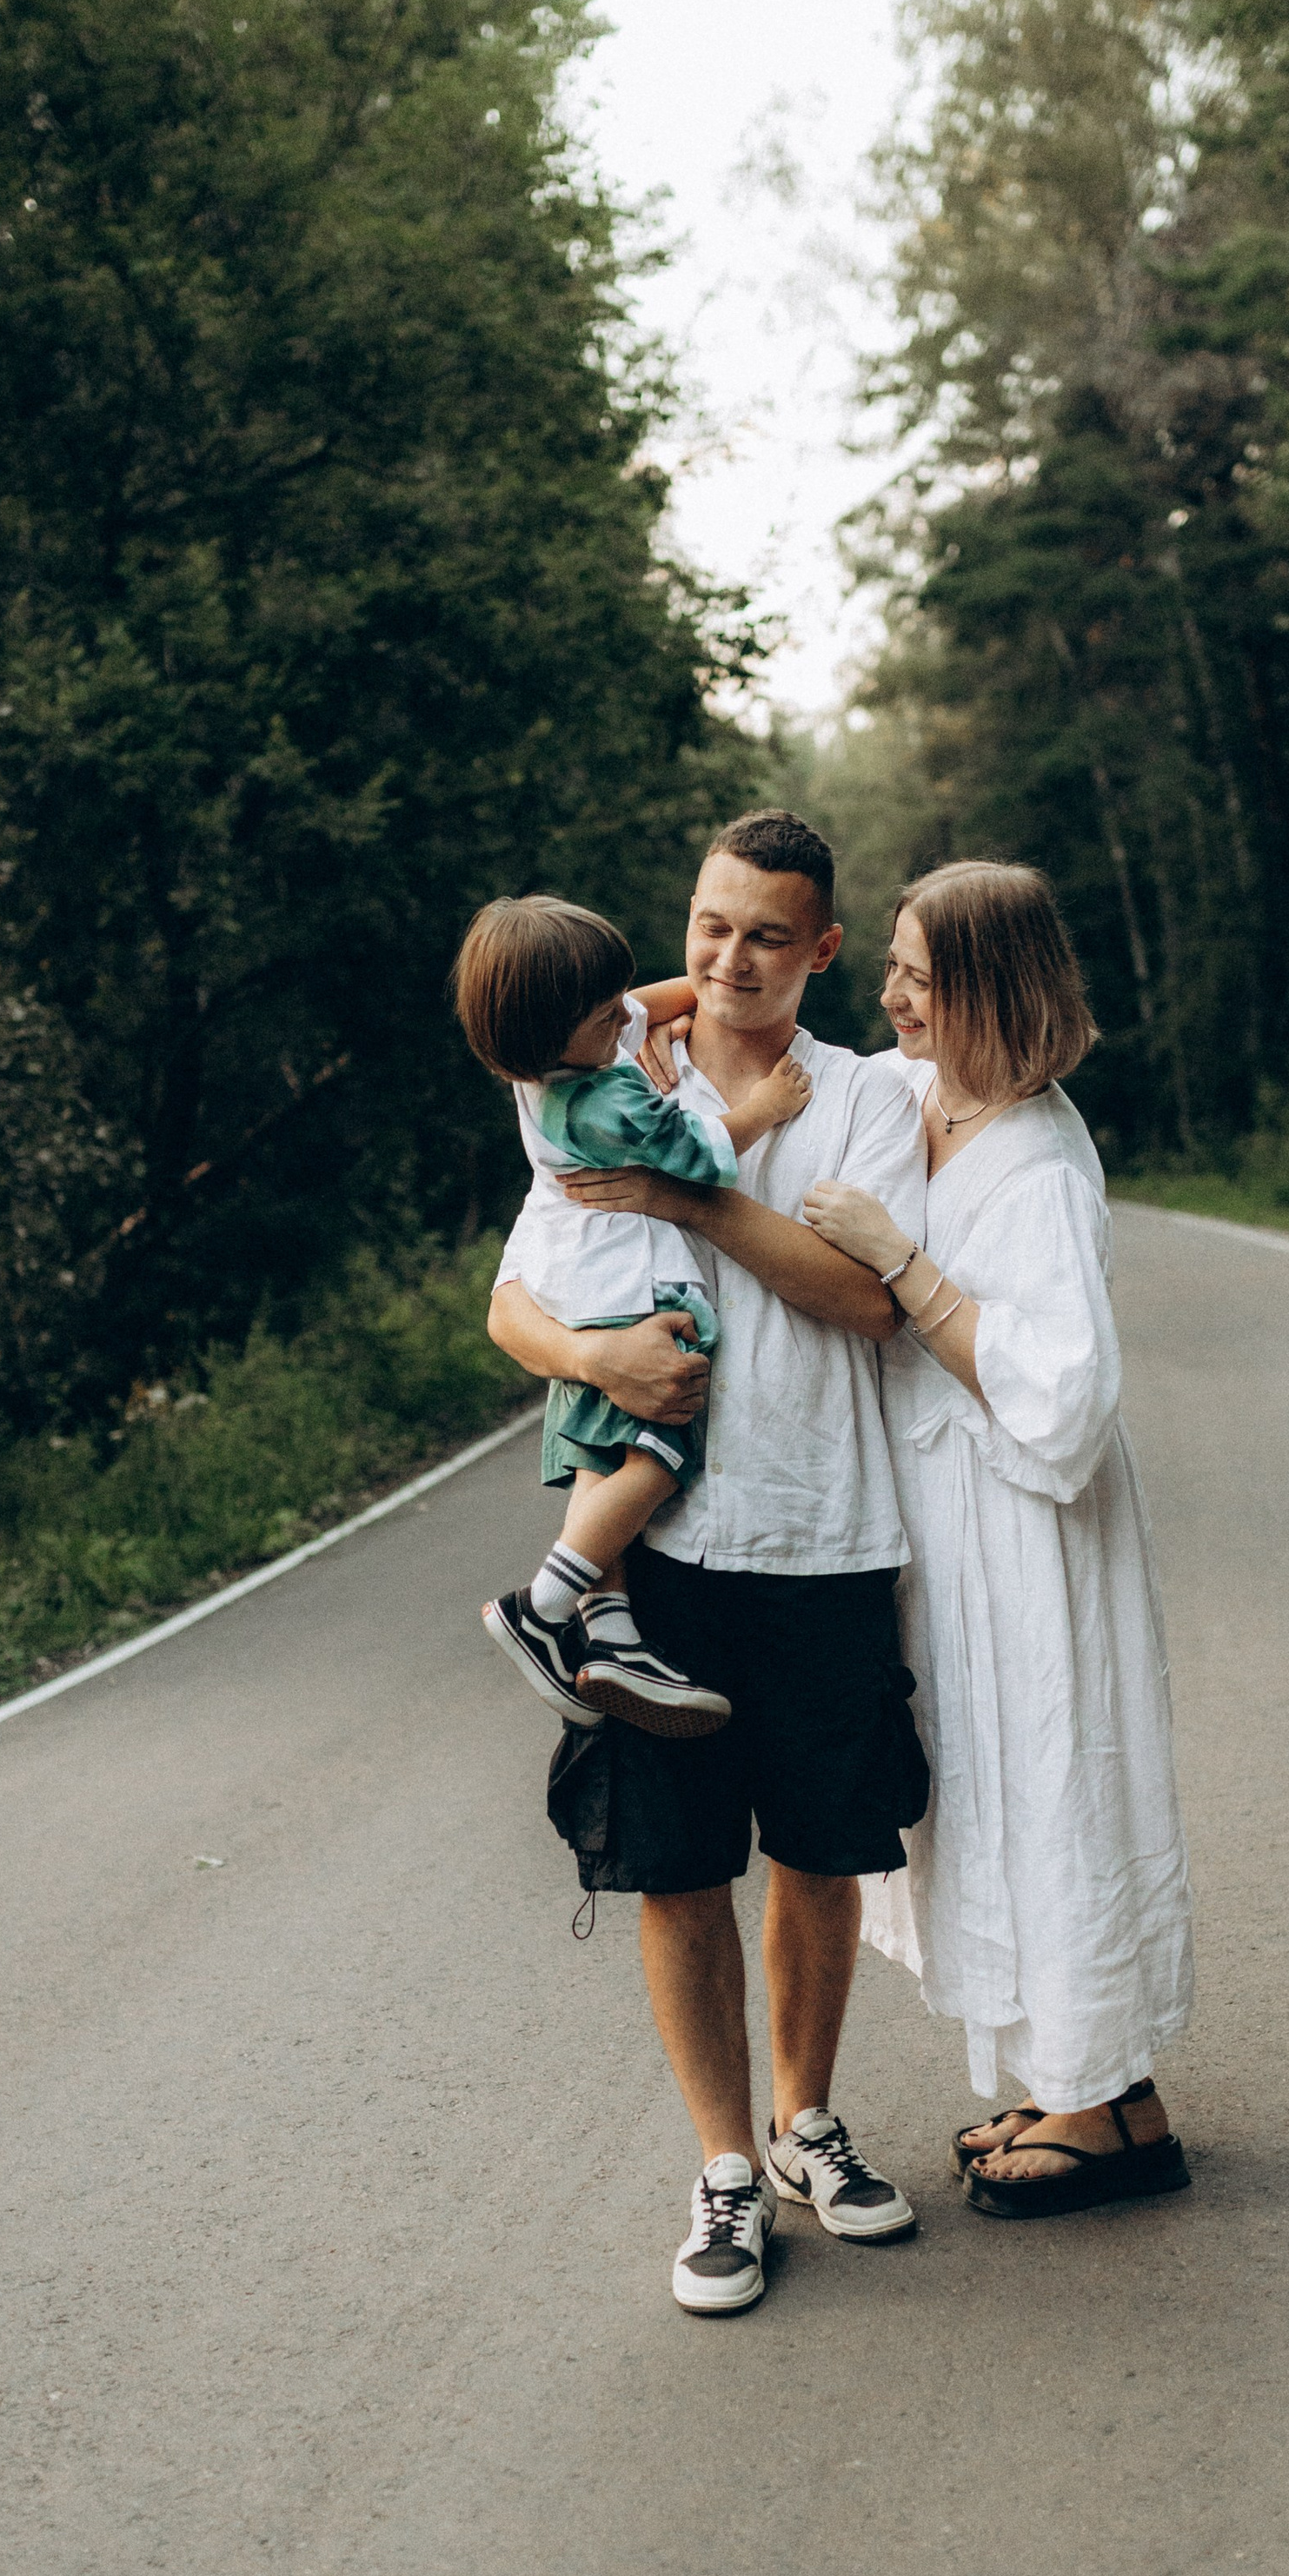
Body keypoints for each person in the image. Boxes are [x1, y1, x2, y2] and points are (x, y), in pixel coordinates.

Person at [487, 810, 931, 2315]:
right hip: (663, 1557)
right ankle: (727, 2171)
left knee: (823, 1855)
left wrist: (690, 1195)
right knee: (677, 1868)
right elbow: (513, 1303)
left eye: (765, 936)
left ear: (822, 950)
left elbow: (870, 1302)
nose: (730, 960)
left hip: (825, 1536)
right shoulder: (612, 1073)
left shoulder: (865, 1098)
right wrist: (593, 1347)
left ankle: (811, 2126)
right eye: (707, 928)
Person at [801, 859, 1196, 2218]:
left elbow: (1066, 1396)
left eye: (918, 971)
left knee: (1053, 1781)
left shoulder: (1035, 1158)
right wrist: (687, 988)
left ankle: (1095, 2102)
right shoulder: (920, 1093)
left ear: (986, 988)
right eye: (894, 965)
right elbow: (791, 1050)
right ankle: (1100, 2085)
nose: (891, 991)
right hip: (951, 1522)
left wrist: (906, 1270)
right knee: (986, 1792)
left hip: (1030, 1526)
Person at [453, 893, 813, 1736]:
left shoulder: (538, 1066)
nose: (627, 1014)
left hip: (579, 1290)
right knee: (660, 1455)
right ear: (557, 1029)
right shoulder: (602, 1102)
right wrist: (768, 1102)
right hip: (636, 1297)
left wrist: (698, 990)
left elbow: (647, 1004)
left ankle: (610, 1636)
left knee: (601, 1459)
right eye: (605, 1008)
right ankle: (543, 1608)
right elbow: (701, 1158)